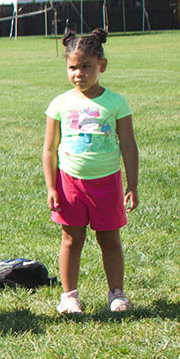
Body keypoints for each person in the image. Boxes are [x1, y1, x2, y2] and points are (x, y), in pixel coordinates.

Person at [42, 28, 139, 315]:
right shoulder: (59, 103)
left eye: (86, 66)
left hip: (107, 183)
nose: (79, 73)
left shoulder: (116, 103)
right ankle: (69, 296)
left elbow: (129, 146)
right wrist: (51, 186)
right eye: (73, 67)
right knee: (71, 239)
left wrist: (131, 184)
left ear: (102, 66)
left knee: (109, 239)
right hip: (70, 183)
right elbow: (49, 149)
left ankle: (116, 293)